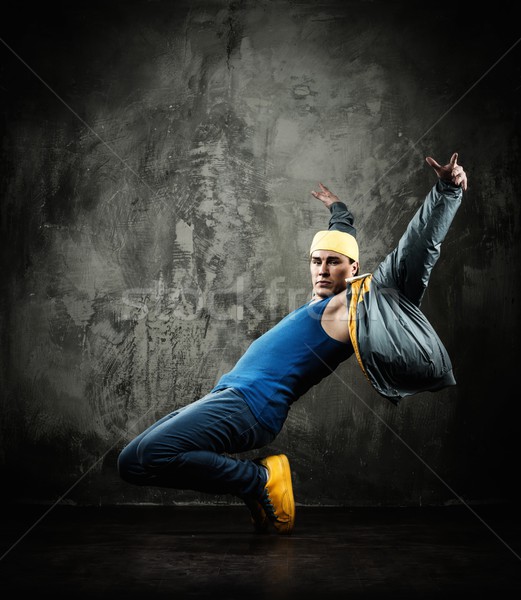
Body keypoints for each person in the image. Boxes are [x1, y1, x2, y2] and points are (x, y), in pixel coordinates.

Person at [117, 152, 467, 535]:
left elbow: (416, 251)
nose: (322, 269)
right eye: (316, 260)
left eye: (333, 262)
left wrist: (447, 191)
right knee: (131, 459)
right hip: (229, 394)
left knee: (149, 458)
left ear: (353, 269)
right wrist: (339, 209)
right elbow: (341, 237)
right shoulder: (319, 299)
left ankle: (259, 480)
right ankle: (255, 483)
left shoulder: (351, 304)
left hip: (252, 406)